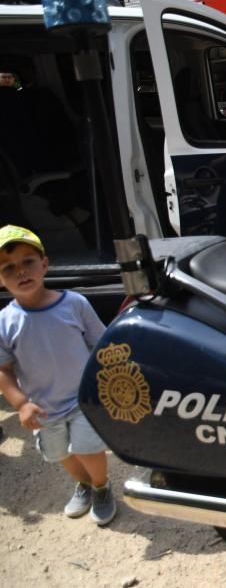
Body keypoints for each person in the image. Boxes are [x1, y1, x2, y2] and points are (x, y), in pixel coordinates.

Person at [0, 225, 117, 525]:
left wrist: (109, 384)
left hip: (83, 400)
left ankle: (102, 487)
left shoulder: (74, 303)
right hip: (43, 409)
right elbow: (4, 371)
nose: (21, 272)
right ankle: (85, 485)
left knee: (87, 448)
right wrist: (21, 404)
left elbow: (102, 347)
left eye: (28, 261)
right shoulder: (5, 322)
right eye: (8, 268)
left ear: (45, 264)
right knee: (60, 455)